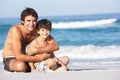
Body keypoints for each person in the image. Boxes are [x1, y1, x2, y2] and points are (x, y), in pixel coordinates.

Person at [2, 7, 59, 72]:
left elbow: (55, 46)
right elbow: (18, 56)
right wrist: (40, 58)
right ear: (22, 21)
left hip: (26, 56)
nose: (31, 24)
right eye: (28, 21)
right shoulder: (16, 30)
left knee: (50, 63)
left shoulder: (37, 30)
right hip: (11, 57)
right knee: (21, 66)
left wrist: (37, 50)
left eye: (34, 21)